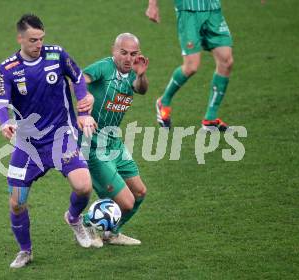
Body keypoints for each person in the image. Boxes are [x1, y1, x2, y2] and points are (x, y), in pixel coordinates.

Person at [0, 14, 97, 268]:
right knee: (17, 202)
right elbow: (1, 104)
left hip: (61, 135)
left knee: (84, 186)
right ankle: (25, 251)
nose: (38, 44)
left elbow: (77, 78)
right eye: (32, 40)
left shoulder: (57, 55)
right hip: (28, 143)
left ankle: (74, 218)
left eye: (41, 38)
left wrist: (83, 113)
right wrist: (5, 122)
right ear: (20, 38)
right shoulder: (7, 68)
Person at [81, 33, 149, 247]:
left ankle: (112, 233)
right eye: (124, 53)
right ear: (114, 51)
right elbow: (77, 81)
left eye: (133, 54)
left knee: (139, 192)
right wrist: (85, 104)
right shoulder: (103, 68)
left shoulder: (133, 72)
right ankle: (82, 222)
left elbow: (141, 89)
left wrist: (141, 75)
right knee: (126, 203)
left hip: (113, 142)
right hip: (93, 145)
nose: (128, 58)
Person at [146, 0, 234, 131]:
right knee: (191, 66)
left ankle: (210, 118)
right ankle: (163, 102)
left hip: (213, 9)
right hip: (189, 11)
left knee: (226, 62)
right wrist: (153, 4)